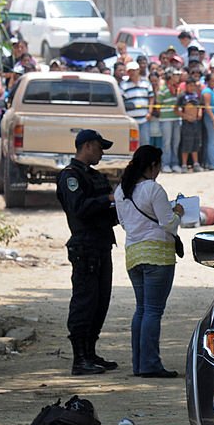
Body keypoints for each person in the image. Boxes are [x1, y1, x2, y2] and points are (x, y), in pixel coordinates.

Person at [114, 146, 183, 378]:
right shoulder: (153, 189)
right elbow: (168, 223)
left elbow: (124, 224)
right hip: (158, 254)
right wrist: (179, 212)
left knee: (142, 309)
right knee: (153, 311)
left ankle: (139, 363)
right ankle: (150, 364)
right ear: (153, 165)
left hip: (133, 254)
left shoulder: (121, 191)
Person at [56, 130, 120, 376]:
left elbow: (107, 210)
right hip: (85, 246)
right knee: (85, 301)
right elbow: (79, 208)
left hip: (102, 243)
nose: (102, 153)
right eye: (99, 147)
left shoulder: (95, 177)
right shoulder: (70, 176)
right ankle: (80, 358)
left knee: (101, 301)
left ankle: (90, 353)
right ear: (87, 146)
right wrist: (107, 199)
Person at [120, 61, 154, 145]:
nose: (132, 73)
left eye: (134, 70)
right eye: (130, 71)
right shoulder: (123, 85)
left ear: (138, 70)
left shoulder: (146, 83)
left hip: (144, 119)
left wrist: (149, 112)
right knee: (132, 144)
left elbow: (151, 98)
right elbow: (121, 101)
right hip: (131, 120)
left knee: (145, 143)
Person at [177, 76, 203, 172]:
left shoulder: (196, 95)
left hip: (196, 122)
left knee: (196, 143)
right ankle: (184, 164)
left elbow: (199, 105)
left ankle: (196, 164)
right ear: (186, 86)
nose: (192, 88)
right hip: (186, 123)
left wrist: (200, 112)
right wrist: (185, 116)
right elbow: (176, 109)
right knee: (186, 143)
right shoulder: (182, 96)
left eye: (193, 86)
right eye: (190, 86)